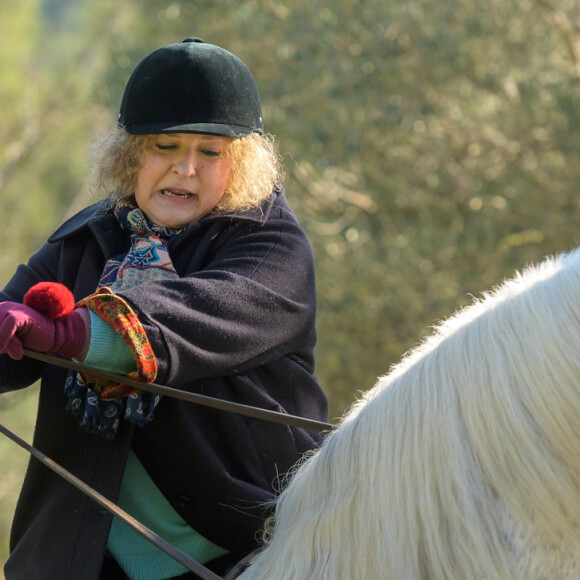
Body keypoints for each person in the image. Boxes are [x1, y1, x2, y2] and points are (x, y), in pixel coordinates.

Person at [0, 37, 328, 580]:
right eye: (166, 146)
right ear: (131, 154)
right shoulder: (85, 239)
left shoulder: (273, 245)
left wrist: (67, 334)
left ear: (242, 162)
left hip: (245, 557)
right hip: (75, 559)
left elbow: (185, 317)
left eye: (211, 152)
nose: (186, 170)